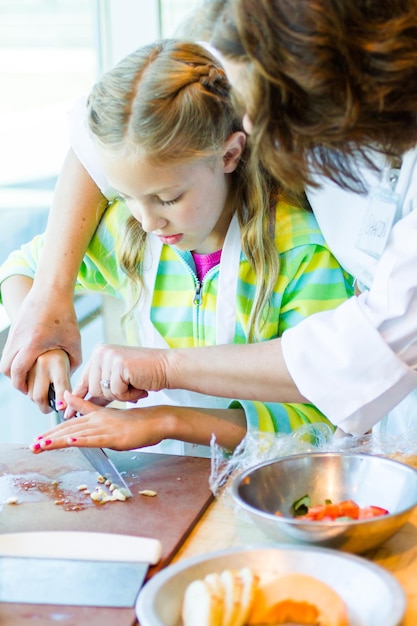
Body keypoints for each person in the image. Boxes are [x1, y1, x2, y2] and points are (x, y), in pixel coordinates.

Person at [3, 0, 416, 438]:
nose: (253, 123)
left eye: (168, 197)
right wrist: (47, 304)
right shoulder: (248, 49)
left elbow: (361, 358)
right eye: (129, 197)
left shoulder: (298, 250)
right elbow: (117, 127)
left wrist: (165, 392)